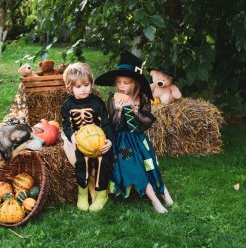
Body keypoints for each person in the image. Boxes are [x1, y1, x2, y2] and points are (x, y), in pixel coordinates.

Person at [95, 51, 173, 213]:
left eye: (126, 82)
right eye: (118, 82)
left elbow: (147, 122)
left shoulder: (143, 98)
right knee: (136, 166)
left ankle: (163, 191)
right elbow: (112, 125)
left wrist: (135, 110)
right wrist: (117, 111)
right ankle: (154, 200)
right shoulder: (112, 99)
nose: (121, 86)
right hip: (121, 141)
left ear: (135, 83)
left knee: (150, 165)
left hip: (138, 139)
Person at [61, 62, 113, 212]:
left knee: (103, 161)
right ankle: (82, 195)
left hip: (99, 140)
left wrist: (109, 141)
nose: (83, 89)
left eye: (86, 85)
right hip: (80, 142)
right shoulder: (67, 105)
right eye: (78, 87)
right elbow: (66, 125)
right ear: (70, 88)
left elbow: (106, 123)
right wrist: (72, 137)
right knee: (81, 163)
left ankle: (102, 194)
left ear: (91, 83)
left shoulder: (96, 102)